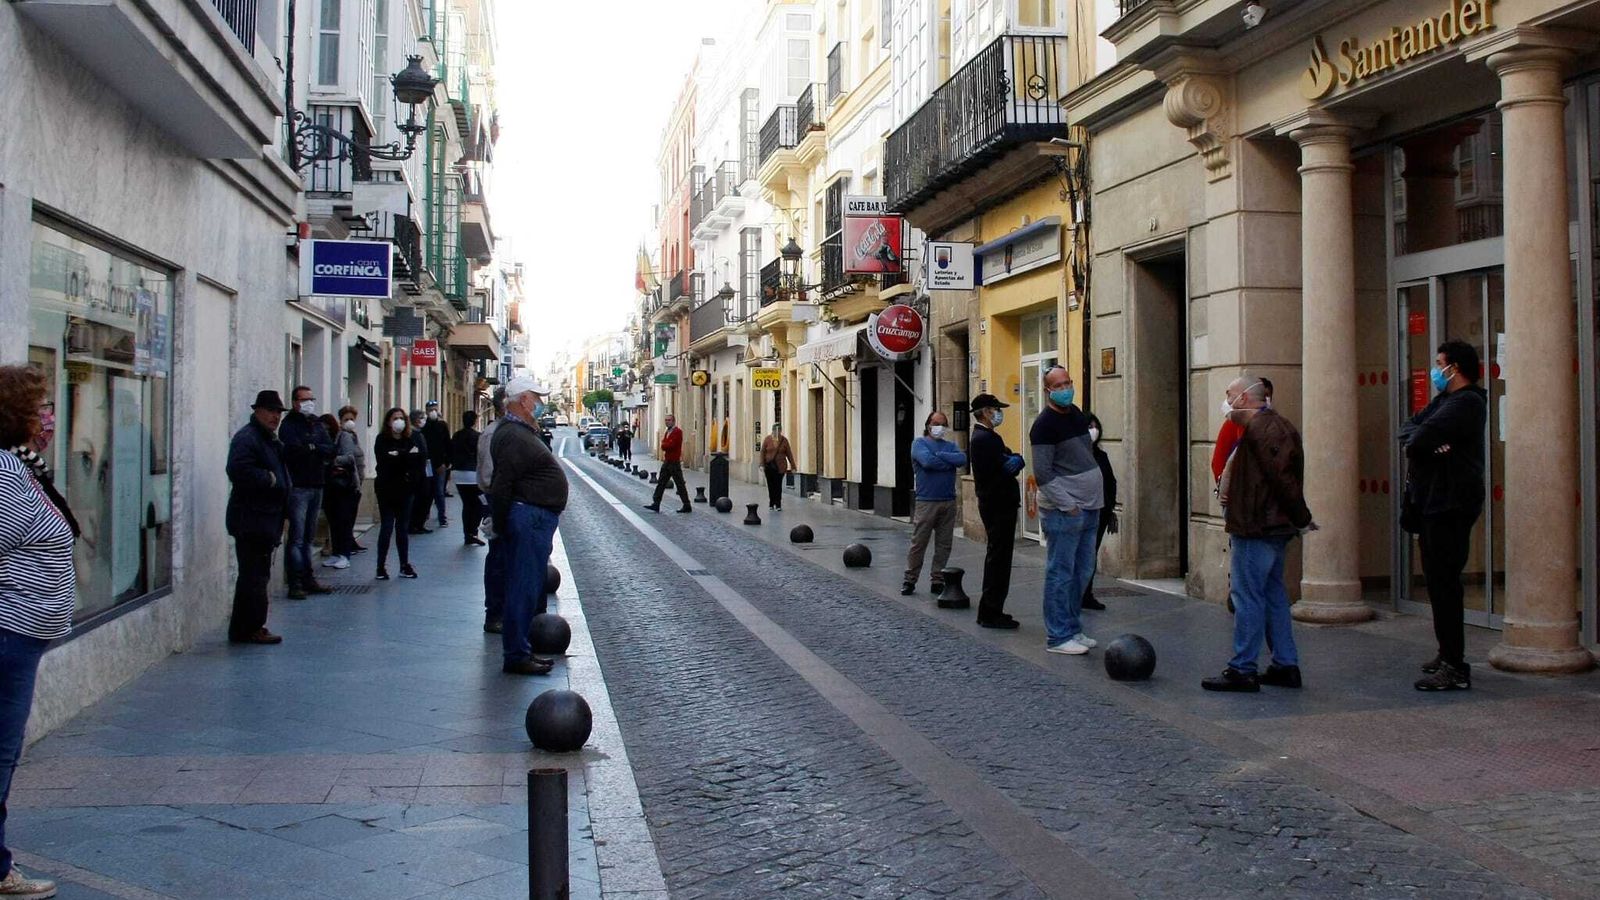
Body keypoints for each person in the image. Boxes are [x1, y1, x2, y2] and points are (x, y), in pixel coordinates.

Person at [0, 367, 76, 900]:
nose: (48, 415)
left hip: (21, 634)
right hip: (8, 632)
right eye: (41, 405)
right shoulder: (5, 474)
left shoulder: (19, 467)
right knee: (0, 754)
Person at [1202, 377, 1312, 692]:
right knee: (1273, 593)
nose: (1226, 401)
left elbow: (1283, 480)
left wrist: (1301, 516)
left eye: (1230, 395)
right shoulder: (1268, 427)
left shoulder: (1266, 430)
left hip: (1258, 526)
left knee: (1247, 596)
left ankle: (1243, 668)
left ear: (1247, 398)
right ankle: (1284, 664)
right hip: (1267, 524)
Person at [1403, 340, 1487, 692]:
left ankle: (1455, 666)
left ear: (1455, 367)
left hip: (1451, 504)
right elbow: (1410, 431)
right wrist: (1426, 441)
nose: (1435, 370)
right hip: (1433, 502)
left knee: (1445, 583)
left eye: (1439, 364)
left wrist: (1426, 441)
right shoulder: (1444, 401)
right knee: (1437, 583)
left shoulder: (1468, 402)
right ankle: (1446, 653)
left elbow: (1421, 439)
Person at [488, 375, 567, 675]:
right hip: (528, 518)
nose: (541, 404)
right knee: (523, 587)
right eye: (537, 397)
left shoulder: (518, 431)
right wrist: (500, 524)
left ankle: (520, 650)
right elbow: (502, 483)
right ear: (523, 400)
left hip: (533, 517)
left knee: (528, 586)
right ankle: (517, 654)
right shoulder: (511, 434)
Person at [1031, 366, 1104, 655]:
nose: (1065, 389)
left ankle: (1073, 627)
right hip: (1066, 511)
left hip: (1090, 506)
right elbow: (1043, 473)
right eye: (1058, 385)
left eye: (1068, 383)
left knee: (1083, 571)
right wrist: (1068, 505)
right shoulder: (1043, 425)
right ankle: (1058, 636)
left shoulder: (1075, 413)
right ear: (1048, 390)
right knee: (1060, 572)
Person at [226, 390, 292, 644]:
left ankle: (248, 626)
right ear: (258, 411)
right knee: (253, 577)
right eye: (271, 411)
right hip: (252, 519)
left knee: (256, 576)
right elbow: (238, 469)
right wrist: (269, 479)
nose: (276, 416)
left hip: (265, 519)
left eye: (278, 412)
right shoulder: (248, 438)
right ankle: (249, 628)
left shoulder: (267, 439)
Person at [968, 393, 1024, 629]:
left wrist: (1011, 458)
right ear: (986, 412)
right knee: (998, 559)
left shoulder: (987, 437)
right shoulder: (984, 438)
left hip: (997, 503)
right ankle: (990, 611)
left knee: (999, 558)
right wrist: (1013, 461)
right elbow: (1002, 467)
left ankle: (993, 609)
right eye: (995, 409)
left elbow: (1005, 459)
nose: (999, 413)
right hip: (997, 504)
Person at [901, 412, 968, 596]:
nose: (940, 426)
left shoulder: (951, 445)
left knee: (944, 544)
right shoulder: (919, 443)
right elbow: (927, 462)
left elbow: (962, 459)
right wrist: (948, 460)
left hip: (948, 501)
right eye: (936, 423)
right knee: (918, 543)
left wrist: (939, 455)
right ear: (928, 424)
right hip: (926, 501)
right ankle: (910, 579)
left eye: (943, 423)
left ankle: (938, 579)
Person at [277, 386, 334, 599]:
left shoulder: (317, 423)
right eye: (305, 399)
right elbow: (293, 451)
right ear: (295, 402)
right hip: (298, 486)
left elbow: (329, 448)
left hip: (317, 484)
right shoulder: (289, 425)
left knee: (309, 537)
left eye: (312, 398)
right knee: (297, 537)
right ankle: (295, 582)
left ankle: (309, 578)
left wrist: (312, 447)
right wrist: (314, 448)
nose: (309, 402)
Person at [373, 407, 423, 580]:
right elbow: (384, 461)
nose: (399, 421)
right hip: (386, 489)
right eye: (395, 418)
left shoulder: (410, 440)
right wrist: (404, 456)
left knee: (402, 528)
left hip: (405, 489)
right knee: (386, 527)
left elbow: (417, 460)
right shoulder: (381, 440)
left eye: (401, 418)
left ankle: (404, 564)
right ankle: (380, 566)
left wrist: (399, 456)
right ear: (388, 421)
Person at [1080, 413, 1119, 612]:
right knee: (1080, 555)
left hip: (1101, 510)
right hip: (1082, 510)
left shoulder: (1101, 455)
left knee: (1090, 554)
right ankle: (1077, 594)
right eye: (1089, 426)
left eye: (1095, 426)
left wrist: (1111, 508)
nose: (1093, 430)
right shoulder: (1077, 455)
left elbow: (1110, 481)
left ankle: (1087, 594)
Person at [478, 389, 507, 633]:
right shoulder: (493, 434)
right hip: (499, 505)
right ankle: (495, 613)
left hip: (508, 505)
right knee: (498, 560)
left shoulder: (508, 432)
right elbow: (489, 477)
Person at [323, 406, 366, 570]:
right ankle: (338, 553)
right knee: (338, 520)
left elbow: (350, 458)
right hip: (342, 484)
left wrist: (331, 460)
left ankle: (343, 554)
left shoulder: (348, 437)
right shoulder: (343, 436)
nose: (349, 422)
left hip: (349, 484)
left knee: (344, 521)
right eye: (346, 419)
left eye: (352, 419)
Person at [644, 414, 692, 513]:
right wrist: (665, 444)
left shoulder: (677, 432)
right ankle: (656, 503)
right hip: (667, 461)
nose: (667, 422)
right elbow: (664, 444)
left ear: (673, 421)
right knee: (661, 482)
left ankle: (687, 505)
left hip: (674, 462)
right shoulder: (667, 432)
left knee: (680, 484)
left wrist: (665, 444)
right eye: (666, 420)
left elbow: (671, 445)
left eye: (669, 420)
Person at [452, 410, 486, 546]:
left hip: (458, 474)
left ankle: (467, 534)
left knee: (467, 505)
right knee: (478, 505)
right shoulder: (478, 436)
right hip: (472, 474)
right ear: (475, 421)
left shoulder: (456, 435)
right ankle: (473, 532)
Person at [422, 400, 452, 528]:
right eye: (430, 409)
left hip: (440, 465)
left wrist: (446, 463)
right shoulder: (424, 426)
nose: (433, 412)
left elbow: (447, 444)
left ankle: (442, 517)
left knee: (439, 492)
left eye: (435, 409)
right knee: (427, 491)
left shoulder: (442, 426)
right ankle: (424, 515)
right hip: (427, 464)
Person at [407, 410, 434, 534]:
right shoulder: (412, 435)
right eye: (422, 418)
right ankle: (414, 524)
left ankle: (420, 523)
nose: (424, 421)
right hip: (416, 472)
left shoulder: (419, 434)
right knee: (419, 499)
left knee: (425, 498)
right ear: (417, 420)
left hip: (424, 470)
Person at [759, 424, 797, 510]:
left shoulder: (784, 441)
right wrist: (761, 464)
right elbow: (762, 452)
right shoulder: (767, 440)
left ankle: (778, 504)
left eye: (778, 430)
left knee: (778, 485)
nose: (776, 432)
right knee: (771, 485)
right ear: (772, 431)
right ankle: (771, 503)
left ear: (780, 431)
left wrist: (793, 466)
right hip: (769, 466)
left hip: (780, 467)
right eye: (775, 430)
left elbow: (789, 454)